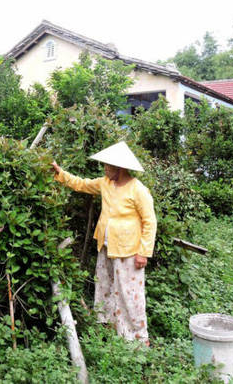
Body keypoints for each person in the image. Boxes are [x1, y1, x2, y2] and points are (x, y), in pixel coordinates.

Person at [51, 141, 157, 345]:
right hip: (106, 246)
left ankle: (138, 336)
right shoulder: (105, 183)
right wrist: (60, 173)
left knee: (130, 293)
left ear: (120, 167)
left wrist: (143, 252)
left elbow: (150, 221)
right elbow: (81, 184)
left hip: (129, 250)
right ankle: (110, 328)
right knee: (106, 287)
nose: (105, 168)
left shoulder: (138, 190)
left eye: (108, 165)